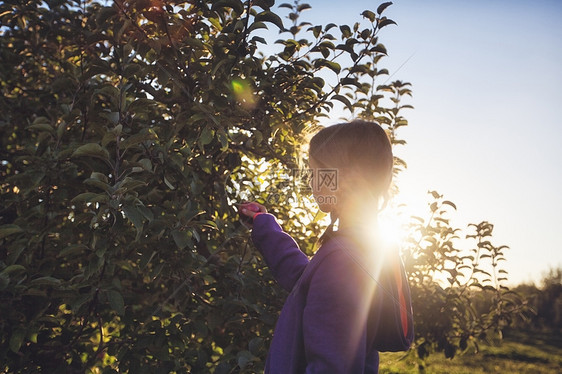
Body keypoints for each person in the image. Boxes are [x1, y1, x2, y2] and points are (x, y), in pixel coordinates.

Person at [239, 120, 414, 374]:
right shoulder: (361, 248)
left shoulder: (344, 262)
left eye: (315, 173)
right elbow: (307, 280)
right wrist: (265, 226)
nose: (311, 181)